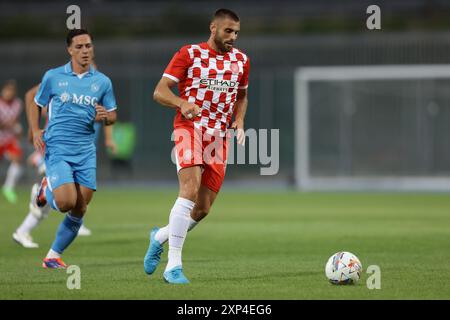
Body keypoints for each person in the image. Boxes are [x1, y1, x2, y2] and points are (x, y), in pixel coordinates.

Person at [144, 8, 250, 284]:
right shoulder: (189, 54)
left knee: (202, 209)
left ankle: (159, 237)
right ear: (213, 28)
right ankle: (173, 267)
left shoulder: (241, 60)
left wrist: (238, 120)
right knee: (189, 190)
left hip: (218, 137)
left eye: (237, 32)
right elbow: (160, 91)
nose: (233, 37)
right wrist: (182, 103)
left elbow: (242, 96)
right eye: (228, 31)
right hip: (189, 129)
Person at [28, 29, 117, 268]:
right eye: (79, 47)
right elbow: (35, 102)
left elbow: (113, 115)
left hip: (86, 151)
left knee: (80, 207)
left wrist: (106, 117)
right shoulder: (54, 77)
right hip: (58, 147)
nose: (85, 51)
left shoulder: (102, 81)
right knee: (66, 202)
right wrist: (36, 130)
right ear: (69, 50)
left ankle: (52, 257)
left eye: (88, 46)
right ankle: (47, 188)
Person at [13, 82, 117, 248]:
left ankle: (23, 230)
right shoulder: (60, 80)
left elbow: (107, 115)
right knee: (62, 195)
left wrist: (108, 135)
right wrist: (33, 128)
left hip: (80, 151)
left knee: (55, 199)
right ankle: (38, 214)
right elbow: (30, 97)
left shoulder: (95, 87)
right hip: (57, 147)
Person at [0, 80, 23, 204]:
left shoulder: (18, 104)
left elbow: (16, 121)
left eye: (11, 91)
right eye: (7, 90)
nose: (9, 93)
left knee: (17, 160)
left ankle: (8, 187)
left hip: (9, 140)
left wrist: (17, 128)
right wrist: (8, 125)